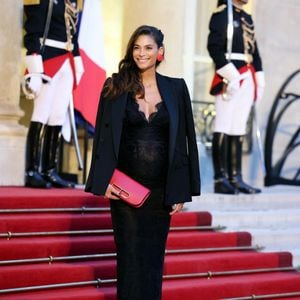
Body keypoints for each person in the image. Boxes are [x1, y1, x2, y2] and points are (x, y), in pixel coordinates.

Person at [85, 25, 201, 300]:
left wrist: (181, 189)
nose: (141, 53)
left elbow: (186, 141)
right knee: (130, 259)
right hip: (126, 191)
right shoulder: (114, 86)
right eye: (137, 47)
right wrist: (103, 182)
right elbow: (102, 137)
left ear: (160, 52)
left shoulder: (176, 88)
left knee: (152, 261)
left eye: (148, 48)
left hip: (161, 193)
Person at [23, 0, 84, 188]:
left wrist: (77, 60)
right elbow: (32, 30)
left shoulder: (72, 1)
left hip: (67, 61)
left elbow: (72, 34)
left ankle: (49, 170)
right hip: (47, 58)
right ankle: (32, 170)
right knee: (41, 112)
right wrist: (34, 67)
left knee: (57, 114)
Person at [207, 0, 265, 194]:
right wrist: (231, 75)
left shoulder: (246, 17)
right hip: (230, 76)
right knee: (223, 125)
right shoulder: (222, 14)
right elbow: (214, 47)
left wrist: (259, 76)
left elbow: (254, 51)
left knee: (238, 126)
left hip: (247, 75)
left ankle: (236, 177)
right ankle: (220, 178)